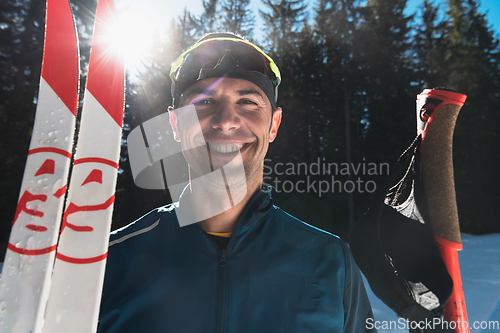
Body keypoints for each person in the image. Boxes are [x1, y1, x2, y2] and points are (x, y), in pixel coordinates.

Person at [97, 32, 376, 333]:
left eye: (247, 101)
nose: (226, 120)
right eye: (204, 101)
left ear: (274, 125)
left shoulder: (331, 261)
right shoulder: (108, 260)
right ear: (176, 125)